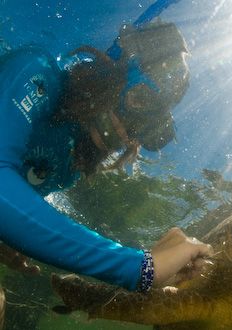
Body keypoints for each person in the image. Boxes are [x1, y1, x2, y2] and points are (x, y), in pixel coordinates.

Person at [0, 20, 213, 297]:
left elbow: (14, 202)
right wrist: (141, 268)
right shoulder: (36, 71)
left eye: (146, 129)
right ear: (114, 69)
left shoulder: (71, 166)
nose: (127, 133)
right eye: (139, 100)